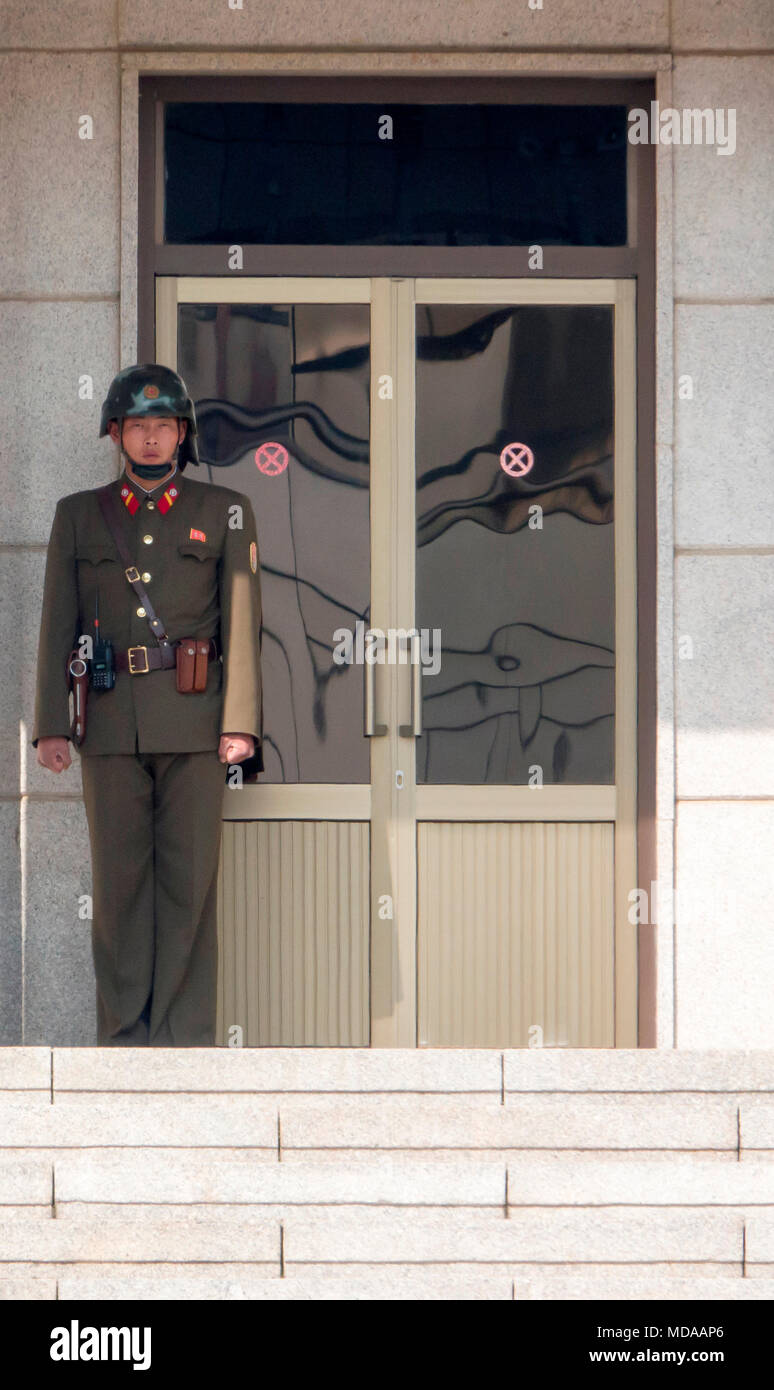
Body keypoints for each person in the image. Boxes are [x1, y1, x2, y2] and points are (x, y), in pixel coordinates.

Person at [32, 363, 263, 1046]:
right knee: (119, 888)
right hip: (107, 723)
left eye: (164, 426)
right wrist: (51, 724)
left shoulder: (224, 511)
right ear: (117, 434)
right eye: (139, 426)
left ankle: (184, 1037)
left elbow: (242, 620)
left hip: (196, 723)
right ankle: (125, 1036)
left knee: (189, 886)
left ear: (182, 434)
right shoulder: (79, 515)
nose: (152, 438)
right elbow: (56, 624)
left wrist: (240, 723)